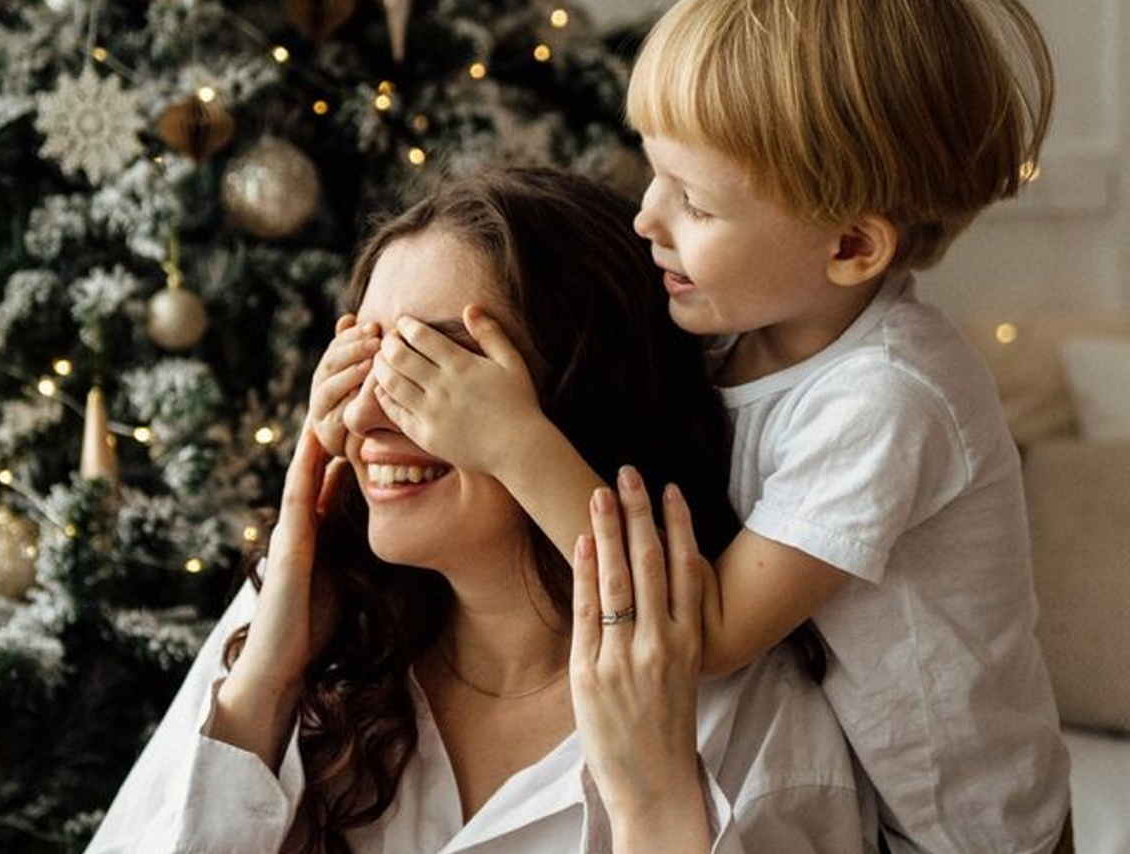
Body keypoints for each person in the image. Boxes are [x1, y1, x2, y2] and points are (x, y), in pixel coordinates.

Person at [353, 2, 1072, 853]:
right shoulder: (738, 334)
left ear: (850, 246)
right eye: (653, 173)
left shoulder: (889, 399)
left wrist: (514, 443)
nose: (646, 219)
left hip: (968, 832)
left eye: (693, 201)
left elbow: (712, 632)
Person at [86, 169, 872, 853]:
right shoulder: (288, 632)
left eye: (430, 368)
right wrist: (264, 688)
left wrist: (656, 808)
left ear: (578, 399)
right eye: (360, 360)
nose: (363, 416)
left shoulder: (756, 725)